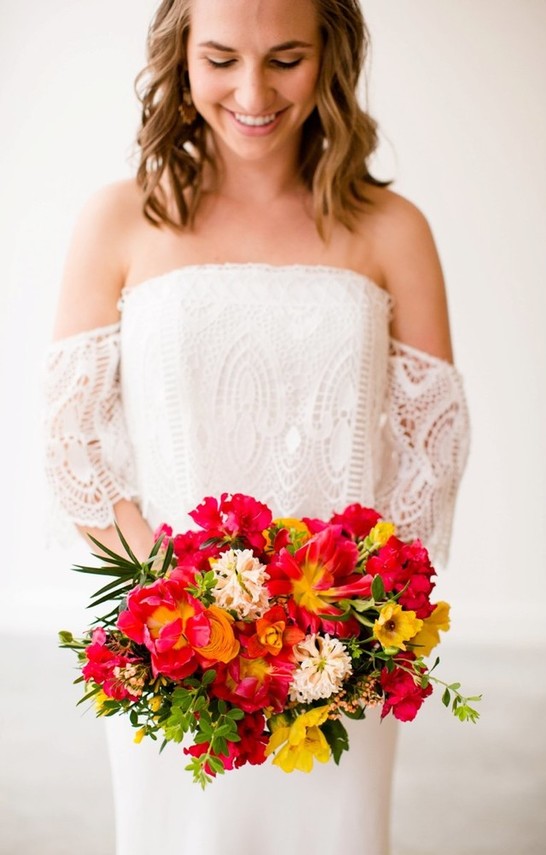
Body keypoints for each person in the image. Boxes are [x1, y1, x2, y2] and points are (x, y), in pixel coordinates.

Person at [44, 0, 470, 853]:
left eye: (285, 58)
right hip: (172, 642)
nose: (252, 90)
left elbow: (432, 449)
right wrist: (174, 595)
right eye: (221, 58)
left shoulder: (394, 229)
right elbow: (71, 439)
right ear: (181, 58)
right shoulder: (120, 219)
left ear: (331, 58)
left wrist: (352, 620)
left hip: (340, 657)